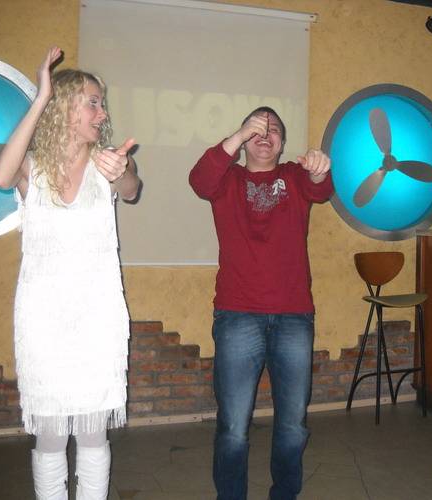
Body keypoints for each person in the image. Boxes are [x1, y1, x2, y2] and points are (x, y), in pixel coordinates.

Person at [0, 46, 140, 499]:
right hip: (44, 320)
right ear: (64, 108)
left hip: (97, 318)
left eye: (102, 103)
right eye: (93, 102)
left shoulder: (108, 162)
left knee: (93, 434)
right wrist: (41, 96)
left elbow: (131, 188)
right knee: (51, 437)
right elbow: (0, 178)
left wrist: (122, 169)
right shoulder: (31, 167)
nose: (102, 112)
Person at [189, 107, 332, 500]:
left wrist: (319, 169)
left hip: (294, 316)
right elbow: (199, 180)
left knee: (293, 425)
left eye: (274, 131)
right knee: (233, 427)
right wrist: (237, 136)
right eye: (256, 130)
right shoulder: (227, 179)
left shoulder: (295, 176)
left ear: (282, 143)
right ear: (242, 139)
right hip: (237, 314)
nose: (265, 136)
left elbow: (320, 189)